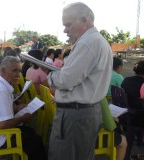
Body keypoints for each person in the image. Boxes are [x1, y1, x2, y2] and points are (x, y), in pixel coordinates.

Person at [46, 2, 112, 160]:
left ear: (85, 20)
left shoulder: (88, 42)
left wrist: (50, 76)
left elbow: (66, 80)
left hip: (75, 115)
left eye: (68, 25)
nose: (65, 30)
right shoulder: (95, 41)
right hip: (82, 112)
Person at [0, 56, 46, 160]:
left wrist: (17, 108)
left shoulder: (0, 84)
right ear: (3, 71)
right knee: (35, 141)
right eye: (14, 71)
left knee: (30, 132)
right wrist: (23, 118)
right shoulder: (1, 91)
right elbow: (3, 124)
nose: (18, 74)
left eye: (19, 71)